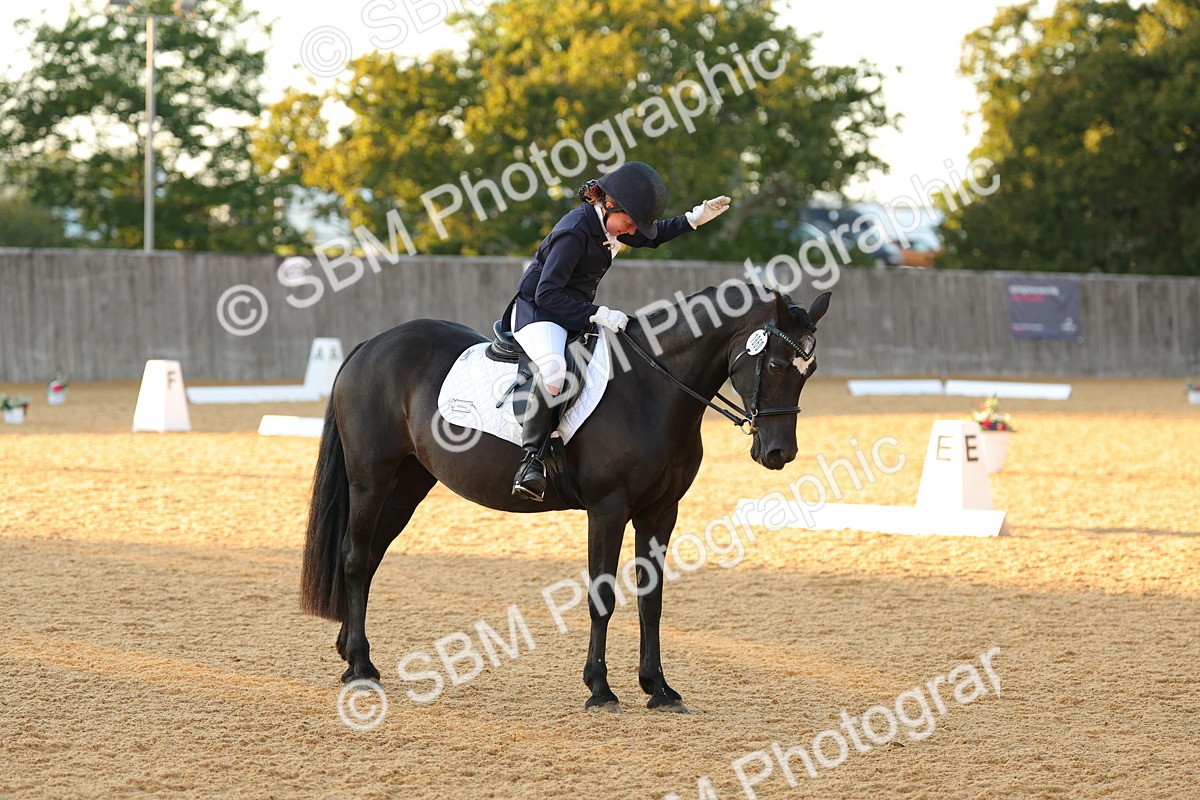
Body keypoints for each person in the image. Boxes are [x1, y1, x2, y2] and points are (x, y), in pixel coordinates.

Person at [501, 160, 732, 501]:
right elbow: (546, 294)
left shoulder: (608, 226)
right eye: (630, 222)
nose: (631, 230)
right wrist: (598, 314)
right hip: (539, 312)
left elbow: (652, 237)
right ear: (610, 204)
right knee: (554, 372)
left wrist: (693, 220)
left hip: (572, 311)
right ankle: (531, 462)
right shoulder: (575, 231)